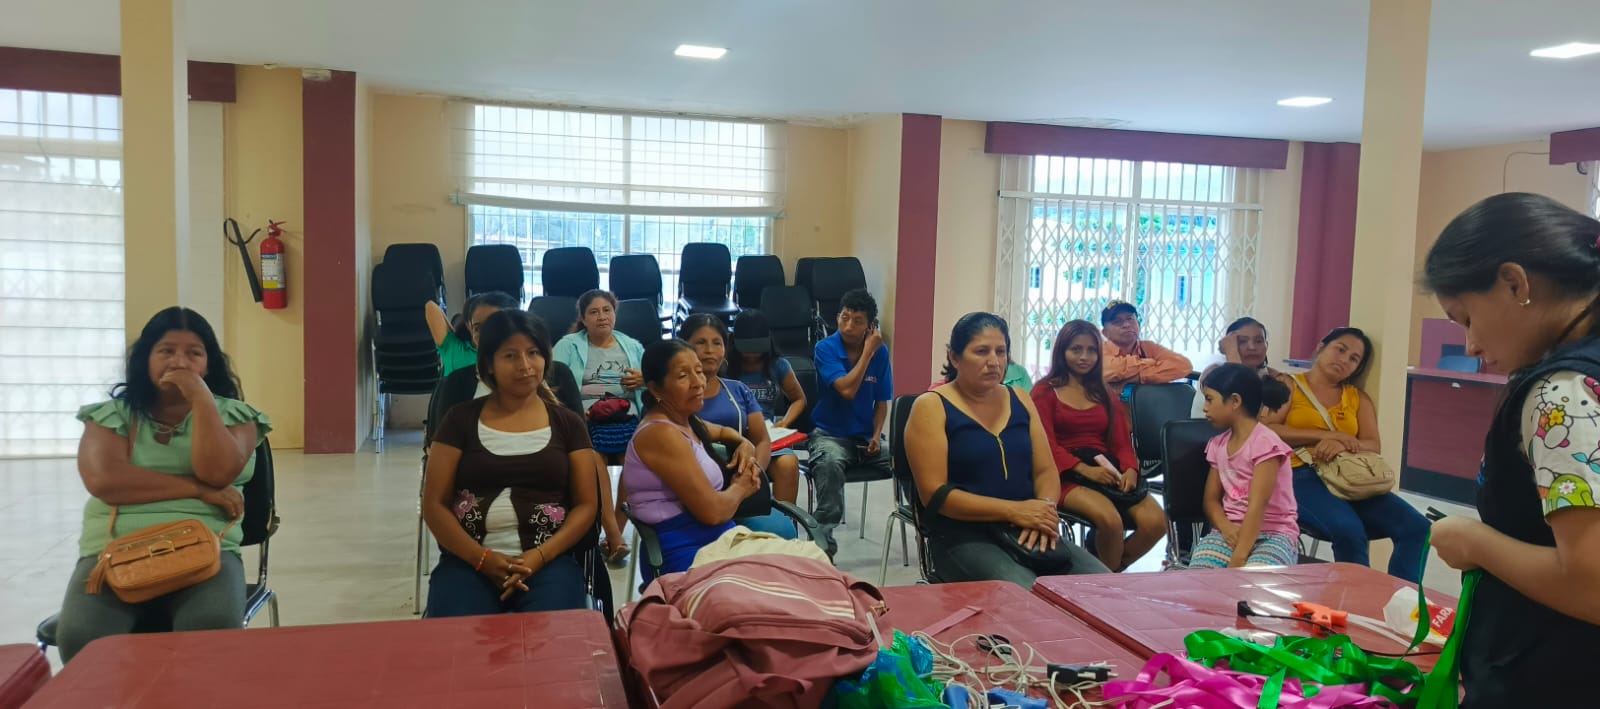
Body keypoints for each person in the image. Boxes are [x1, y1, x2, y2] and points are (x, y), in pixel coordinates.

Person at [1419, 192, 1600, 706]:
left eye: (1466, 319)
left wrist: (1476, 543)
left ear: (1515, 284)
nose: (1471, 346)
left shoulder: (1562, 394)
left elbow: (1591, 586)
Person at [57, 307, 271, 662]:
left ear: (209, 364)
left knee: (211, 628)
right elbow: (105, 480)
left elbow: (217, 473)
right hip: (114, 550)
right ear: (146, 359)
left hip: (207, 549)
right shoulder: (112, 416)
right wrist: (198, 490)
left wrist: (201, 399)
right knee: (81, 636)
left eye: (194, 353)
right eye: (166, 351)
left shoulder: (235, 416)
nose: (179, 362)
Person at [905, 313, 1109, 587]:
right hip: (963, 536)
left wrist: (1044, 510)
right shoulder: (931, 406)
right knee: (1027, 597)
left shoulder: (1020, 399)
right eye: (981, 351)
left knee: (1103, 589)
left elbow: (1045, 470)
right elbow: (935, 495)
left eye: (1000, 352)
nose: (994, 361)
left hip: (1026, 527)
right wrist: (1015, 511)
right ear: (955, 357)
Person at [422, 310, 599, 617]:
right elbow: (434, 504)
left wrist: (539, 557)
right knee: (457, 637)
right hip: (467, 562)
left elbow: (586, 505)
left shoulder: (568, 424)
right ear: (489, 363)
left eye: (533, 353)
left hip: (549, 562)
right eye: (510, 356)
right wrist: (481, 559)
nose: (525, 365)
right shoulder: (459, 420)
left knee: (554, 636)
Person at [1265, 327, 1430, 582]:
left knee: (1418, 528)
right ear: (1321, 346)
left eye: (1353, 358)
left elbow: (1372, 444)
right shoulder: (1289, 384)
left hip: (1349, 478)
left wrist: (1343, 445)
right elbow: (1268, 430)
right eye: (1340, 349)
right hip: (1300, 475)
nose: (1344, 360)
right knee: (1349, 530)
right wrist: (1326, 436)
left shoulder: (1356, 397)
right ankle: (1355, 599)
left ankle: (1403, 598)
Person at [622, 339, 766, 583]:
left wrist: (744, 443)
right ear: (656, 389)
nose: (698, 382)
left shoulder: (686, 421)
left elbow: (723, 431)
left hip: (719, 539)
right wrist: (742, 487)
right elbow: (713, 512)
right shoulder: (661, 433)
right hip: (686, 551)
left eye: (698, 371)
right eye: (683, 376)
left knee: (806, 571)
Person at [1031, 320, 1168, 571]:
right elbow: (1044, 445)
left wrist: (1130, 470)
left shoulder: (1103, 392)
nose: (1084, 357)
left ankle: (1106, 573)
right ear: (1062, 351)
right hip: (1062, 474)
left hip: (1106, 471)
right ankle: (1105, 579)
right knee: (1110, 522)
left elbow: (1122, 443)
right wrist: (1085, 470)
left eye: (1092, 350)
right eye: (1076, 349)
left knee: (1157, 522)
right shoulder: (1044, 391)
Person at [677, 314, 799, 537]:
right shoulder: (673, 393)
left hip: (739, 486)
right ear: (683, 346)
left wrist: (753, 471)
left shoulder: (738, 390)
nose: (709, 350)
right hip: (694, 492)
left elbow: (761, 440)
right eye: (700, 342)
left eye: (717, 343)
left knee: (784, 531)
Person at [808, 288, 895, 558]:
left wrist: (876, 435)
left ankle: (925, 527)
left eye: (857, 321)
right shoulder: (825, 348)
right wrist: (868, 352)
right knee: (829, 464)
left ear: (870, 326)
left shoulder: (881, 353)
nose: (848, 326)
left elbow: (881, 402)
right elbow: (847, 390)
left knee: (909, 458)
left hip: (865, 440)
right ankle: (822, 547)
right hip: (829, 435)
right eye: (844, 318)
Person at [1188, 364, 1298, 569]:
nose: (1205, 408)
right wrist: (1226, 527)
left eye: (1210, 399)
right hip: (1231, 530)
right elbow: (1211, 500)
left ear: (1235, 401)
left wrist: (1239, 557)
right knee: (1201, 572)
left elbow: (1257, 506)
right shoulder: (1217, 445)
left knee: (1253, 577)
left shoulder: (1266, 444)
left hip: (1274, 534)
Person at [725, 309, 807, 503]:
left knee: (788, 464)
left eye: (757, 348)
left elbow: (799, 399)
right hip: (732, 435)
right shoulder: (725, 365)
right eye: (747, 348)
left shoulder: (778, 365)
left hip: (766, 435)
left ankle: (784, 519)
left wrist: (784, 422)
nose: (752, 354)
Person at [1099, 300, 1194, 387]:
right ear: (1105, 333)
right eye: (1117, 321)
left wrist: (1139, 377)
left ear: (1139, 325)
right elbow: (1113, 370)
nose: (1126, 325)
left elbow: (1184, 365)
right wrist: (1150, 363)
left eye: (1130, 319)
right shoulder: (1099, 350)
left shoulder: (1148, 347)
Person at [426, 292, 521, 376]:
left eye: (494, 326)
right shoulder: (454, 348)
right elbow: (431, 306)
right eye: (478, 328)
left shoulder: (519, 356)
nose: (485, 333)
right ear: (469, 326)